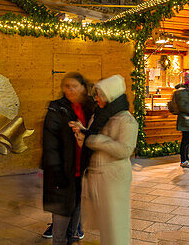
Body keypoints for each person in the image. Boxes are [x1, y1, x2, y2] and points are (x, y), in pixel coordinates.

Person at [72, 75, 137, 245]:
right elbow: (92, 136)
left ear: (111, 95)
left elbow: (125, 150)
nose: (97, 99)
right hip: (100, 178)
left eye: (100, 95)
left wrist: (93, 140)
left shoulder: (126, 120)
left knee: (116, 225)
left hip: (114, 179)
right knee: (106, 225)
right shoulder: (100, 115)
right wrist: (82, 132)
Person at [40, 72, 92, 244]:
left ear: (83, 88)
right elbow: (50, 141)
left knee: (77, 204)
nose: (69, 90)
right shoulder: (57, 107)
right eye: (66, 86)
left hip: (81, 168)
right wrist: (55, 169)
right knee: (61, 213)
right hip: (63, 169)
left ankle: (74, 236)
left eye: (74, 86)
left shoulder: (90, 107)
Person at [172, 72, 189, 168]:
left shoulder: (187, 91)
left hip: (188, 120)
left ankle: (186, 158)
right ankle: (183, 160)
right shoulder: (182, 92)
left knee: (188, 140)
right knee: (185, 140)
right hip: (185, 120)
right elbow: (184, 106)